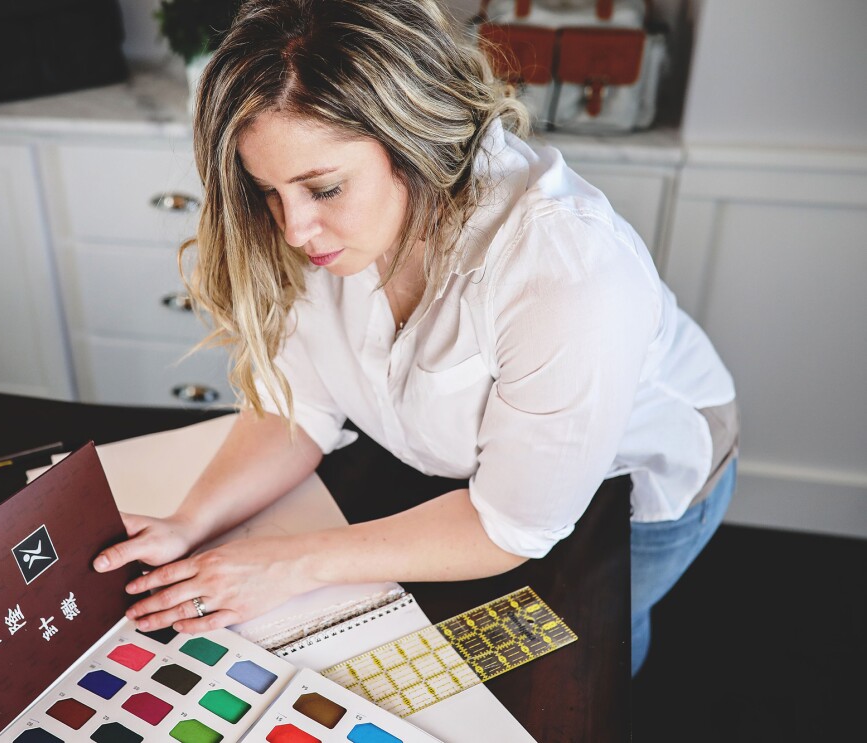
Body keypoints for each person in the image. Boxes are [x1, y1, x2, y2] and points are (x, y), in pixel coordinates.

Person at [93, 0, 738, 677]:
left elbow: (509, 527)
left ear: (410, 141)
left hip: (637, 478)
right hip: (477, 484)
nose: (292, 229)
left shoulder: (564, 270)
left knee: (587, 657)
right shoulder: (326, 231)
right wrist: (189, 522)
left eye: (325, 188)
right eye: (268, 193)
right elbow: (298, 406)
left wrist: (288, 564)